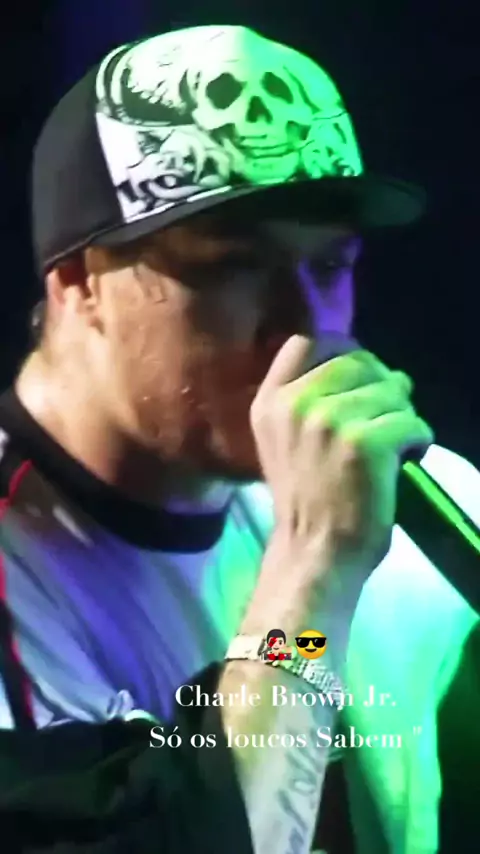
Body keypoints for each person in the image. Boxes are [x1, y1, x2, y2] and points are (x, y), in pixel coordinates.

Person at [0, 23, 477, 854]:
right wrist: (315, 569)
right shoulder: (22, 578)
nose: (307, 329)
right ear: (78, 281)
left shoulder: (411, 499)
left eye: (329, 267)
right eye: (233, 266)